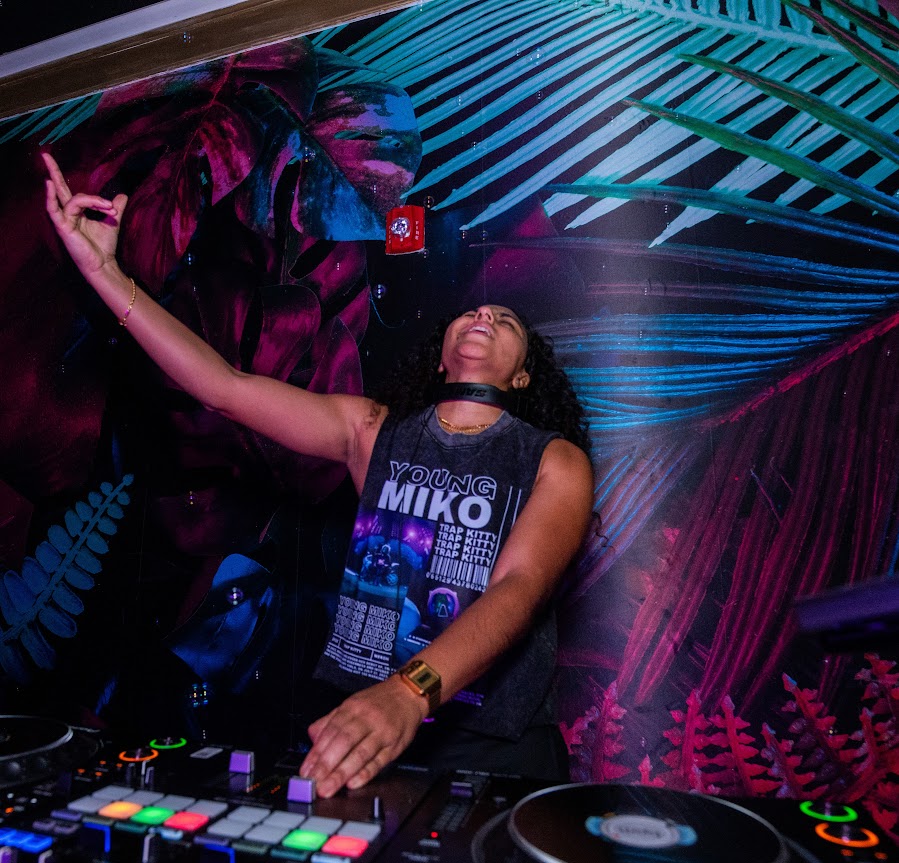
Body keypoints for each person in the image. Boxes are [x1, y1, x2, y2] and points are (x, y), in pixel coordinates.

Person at [41, 152, 595, 797]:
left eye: (506, 322)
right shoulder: (371, 431)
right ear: (442, 358)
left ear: (523, 376)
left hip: (491, 740)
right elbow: (223, 386)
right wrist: (105, 272)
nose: (484, 318)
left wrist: (409, 692)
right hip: (359, 726)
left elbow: (519, 589)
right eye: (473, 313)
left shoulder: (553, 458)